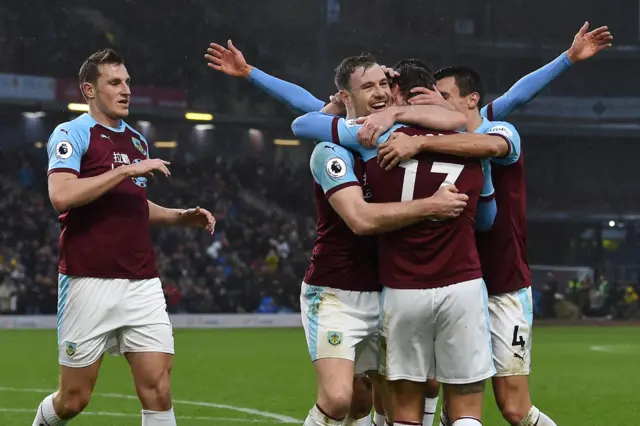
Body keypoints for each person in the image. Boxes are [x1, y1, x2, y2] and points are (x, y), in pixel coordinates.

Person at [367, 22, 612, 426]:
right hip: (451, 282)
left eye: (443, 97)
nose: (434, 104)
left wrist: (568, 59)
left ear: (472, 101)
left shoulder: (496, 128)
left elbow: (510, 109)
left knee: (513, 407)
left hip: (501, 284)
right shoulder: (419, 131)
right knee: (434, 390)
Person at [292, 59, 514, 426]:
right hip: (340, 288)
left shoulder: (384, 139)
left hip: (390, 288)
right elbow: (360, 220)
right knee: (343, 399)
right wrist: (432, 204)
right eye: (369, 87)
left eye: (385, 84)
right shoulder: (341, 146)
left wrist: (398, 116)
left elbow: (302, 122)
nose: (379, 93)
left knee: (393, 401)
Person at [32, 48, 215, 426]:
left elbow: (135, 205)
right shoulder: (71, 134)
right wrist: (126, 171)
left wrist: (182, 217)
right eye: (115, 82)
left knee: (158, 389)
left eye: (128, 81)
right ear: (89, 90)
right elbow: (62, 195)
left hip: (141, 282)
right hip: (88, 280)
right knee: (73, 400)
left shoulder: (136, 141)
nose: (126, 89)